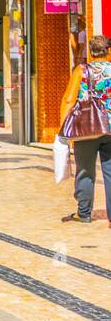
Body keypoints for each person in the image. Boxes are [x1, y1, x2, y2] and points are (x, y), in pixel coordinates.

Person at [59, 33, 111, 224]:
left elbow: (69, 99)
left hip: (86, 129)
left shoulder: (82, 71)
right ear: (108, 51)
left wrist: (63, 129)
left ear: (91, 52)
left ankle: (84, 213)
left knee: (85, 171)